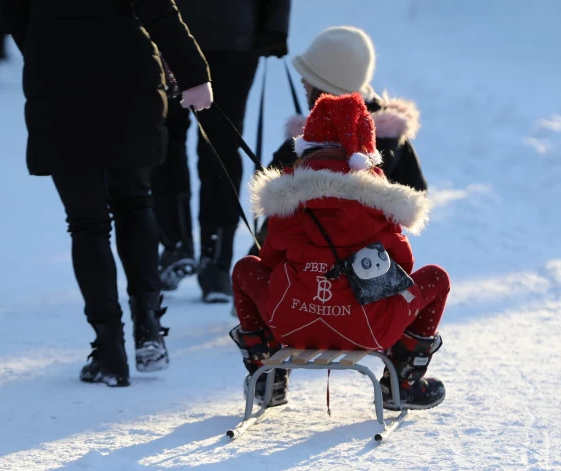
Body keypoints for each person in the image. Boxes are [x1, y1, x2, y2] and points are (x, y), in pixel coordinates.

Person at [1, 0, 212, 387]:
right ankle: (148, 325)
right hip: (128, 73)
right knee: (135, 201)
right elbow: (159, 10)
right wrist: (194, 74)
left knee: (86, 222)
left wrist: (44, 49)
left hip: (58, 78)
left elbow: (14, 13)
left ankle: (108, 350)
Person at [230, 93, 450, 410]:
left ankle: (267, 376)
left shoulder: (287, 199)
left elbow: (268, 261)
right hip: (370, 328)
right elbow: (403, 264)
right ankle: (403, 381)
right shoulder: (380, 200)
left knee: (245, 269)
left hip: (290, 322)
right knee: (436, 279)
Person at [151, 0, 291, 303]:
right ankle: (215, 260)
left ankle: (176, 243)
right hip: (233, 34)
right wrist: (274, 27)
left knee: (166, 140)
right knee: (221, 146)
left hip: (167, 31)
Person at [247, 26, 427, 258]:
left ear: (327, 86)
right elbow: (416, 188)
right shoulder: (391, 138)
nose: (302, 81)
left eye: (309, 78)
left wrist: (256, 259)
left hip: (306, 265)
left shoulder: (309, 144)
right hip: (367, 266)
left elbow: (272, 196)